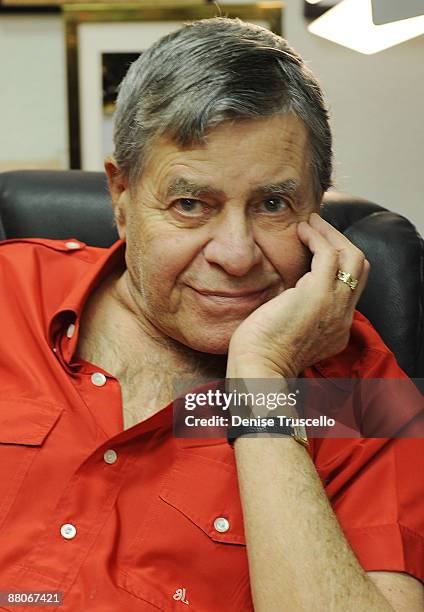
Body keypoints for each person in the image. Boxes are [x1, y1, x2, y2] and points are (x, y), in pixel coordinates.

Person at [0, 16, 423, 612]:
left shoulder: (365, 395)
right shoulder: (9, 292)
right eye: (191, 204)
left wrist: (262, 376)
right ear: (121, 199)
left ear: (318, 208)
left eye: (273, 204)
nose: (236, 253)